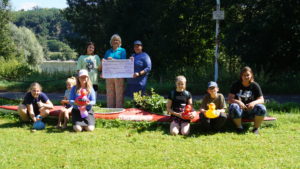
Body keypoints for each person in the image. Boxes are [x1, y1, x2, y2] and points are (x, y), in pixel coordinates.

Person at [228, 66, 267, 134]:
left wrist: (253, 103)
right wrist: (238, 102)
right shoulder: (236, 85)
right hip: (238, 110)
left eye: (248, 75)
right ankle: (239, 128)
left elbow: (262, 100)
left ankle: (255, 128)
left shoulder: (255, 85)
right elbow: (229, 99)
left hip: (251, 111)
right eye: (244, 75)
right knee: (234, 106)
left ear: (251, 75)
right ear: (241, 76)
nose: (246, 77)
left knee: (262, 108)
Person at [103, 34, 126, 108]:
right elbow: (105, 63)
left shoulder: (122, 50)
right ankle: (110, 109)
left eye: (117, 40)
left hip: (119, 75)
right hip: (109, 75)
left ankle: (118, 110)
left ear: (120, 42)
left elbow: (124, 62)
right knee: (110, 93)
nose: (115, 41)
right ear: (111, 42)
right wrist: (104, 61)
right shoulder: (108, 51)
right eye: (114, 40)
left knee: (119, 93)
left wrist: (113, 60)